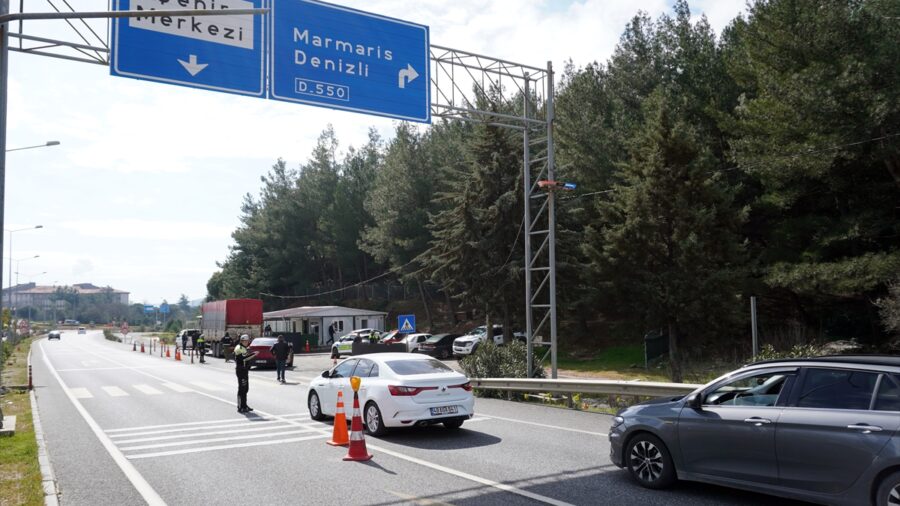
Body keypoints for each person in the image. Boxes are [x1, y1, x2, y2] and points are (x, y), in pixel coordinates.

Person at [233, 335, 258, 413]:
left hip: (245, 370)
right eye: (245, 341)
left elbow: (246, 356)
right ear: (241, 341)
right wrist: (254, 354)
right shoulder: (238, 348)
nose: (247, 342)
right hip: (241, 370)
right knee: (242, 388)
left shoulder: (243, 348)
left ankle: (244, 405)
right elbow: (244, 358)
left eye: (248, 341)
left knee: (246, 388)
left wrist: (252, 354)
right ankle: (240, 406)